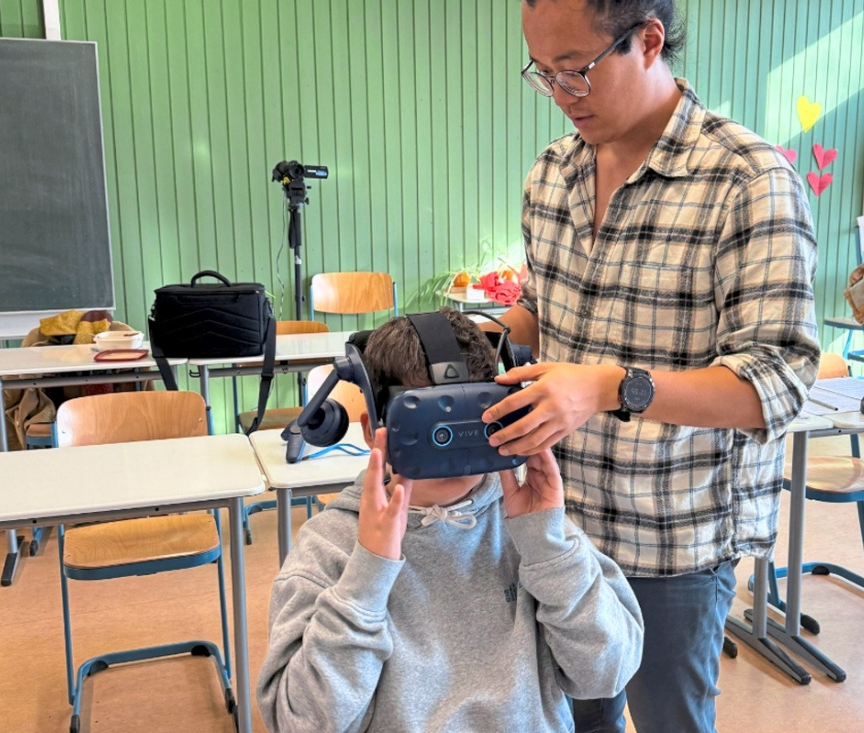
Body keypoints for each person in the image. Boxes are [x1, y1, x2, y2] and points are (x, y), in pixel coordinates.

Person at [480, 1, 820, 731]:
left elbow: (778, 380)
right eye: (543, 74)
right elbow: (540, 309)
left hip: (675, 537)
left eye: (575, 71)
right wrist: (449, 342)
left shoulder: (746, 179)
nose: (561, 95)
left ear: (648, 40)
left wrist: (610, 387)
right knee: (573, 716)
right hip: (559, 520)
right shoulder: (552, 173)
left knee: (671, 719)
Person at [257, 309, 644, 733]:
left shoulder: (532, 529)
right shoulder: (332, 547)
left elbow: (607, 674)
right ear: (373, 429)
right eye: (428, 424)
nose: (452, 446)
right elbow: (298, 723)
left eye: (471, 417)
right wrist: (366, 577)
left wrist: (549, 549)